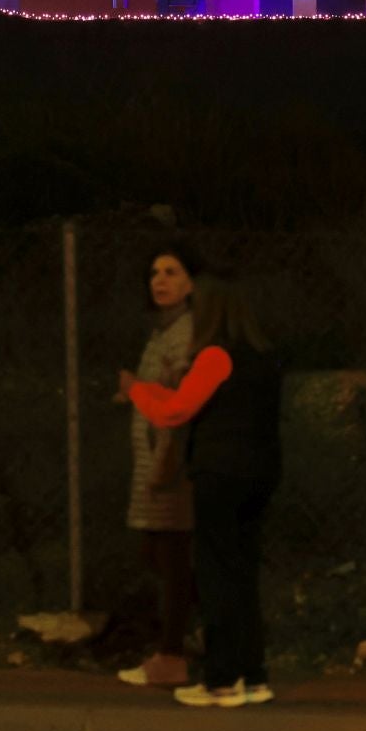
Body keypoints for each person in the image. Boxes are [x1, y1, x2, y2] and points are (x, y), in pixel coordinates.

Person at [122, 273, 282, 708]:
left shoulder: (216, 355)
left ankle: (220, 679)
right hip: (261, 473)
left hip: (220, 474)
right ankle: (254, 676)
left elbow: (177, 410)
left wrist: (137, 390)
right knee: (243, 575)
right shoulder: (265, 357)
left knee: (215, 575)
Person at [115, 244, 201, 688]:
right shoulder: (160, 332)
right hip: (154, 457)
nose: (160, 280)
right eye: (154, 272)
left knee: (170, 557)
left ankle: (172, 654)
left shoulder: (186, 334)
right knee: (159, 552)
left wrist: (136, 390)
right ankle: (208, 635)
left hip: (170, 462)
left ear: (190, 283)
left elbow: (183, 400)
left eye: (171, 271)